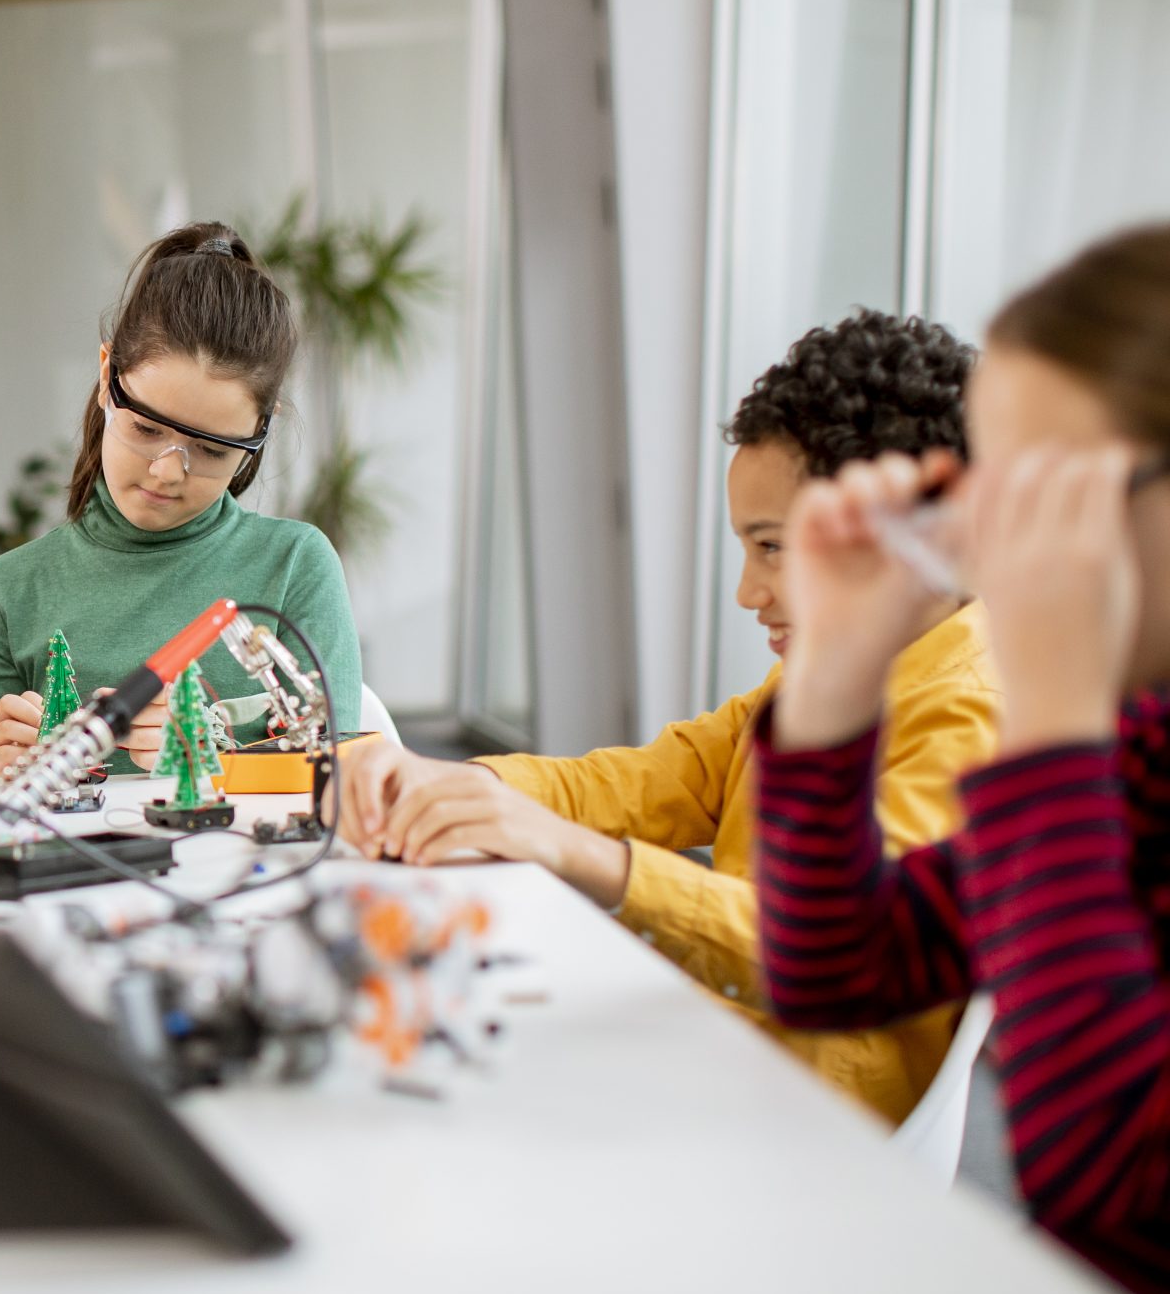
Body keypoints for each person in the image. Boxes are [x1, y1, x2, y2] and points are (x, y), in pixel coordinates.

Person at [338, 311, 993, 1123]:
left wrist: (584, 857)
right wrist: (448, 780)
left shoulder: (973, 717)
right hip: (713, 1061)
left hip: (793, 1135)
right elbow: (639, 782)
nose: (748, 593)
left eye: (776, 549)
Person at [756, 228, 1170, 1294]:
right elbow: (832, 968)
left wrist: (1049, 727)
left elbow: (1105, 1173)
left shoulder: (1081, 748)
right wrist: (837, 682)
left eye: (1048, 496)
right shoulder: (1138, 754)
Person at [0, 223, 362, 781]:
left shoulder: (295, 567)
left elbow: (342, 786)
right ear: (107, 378)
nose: (168, 471)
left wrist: (212, 764)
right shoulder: (7, 597)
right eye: (147, 428)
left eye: (213, 448)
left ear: (256, 438)